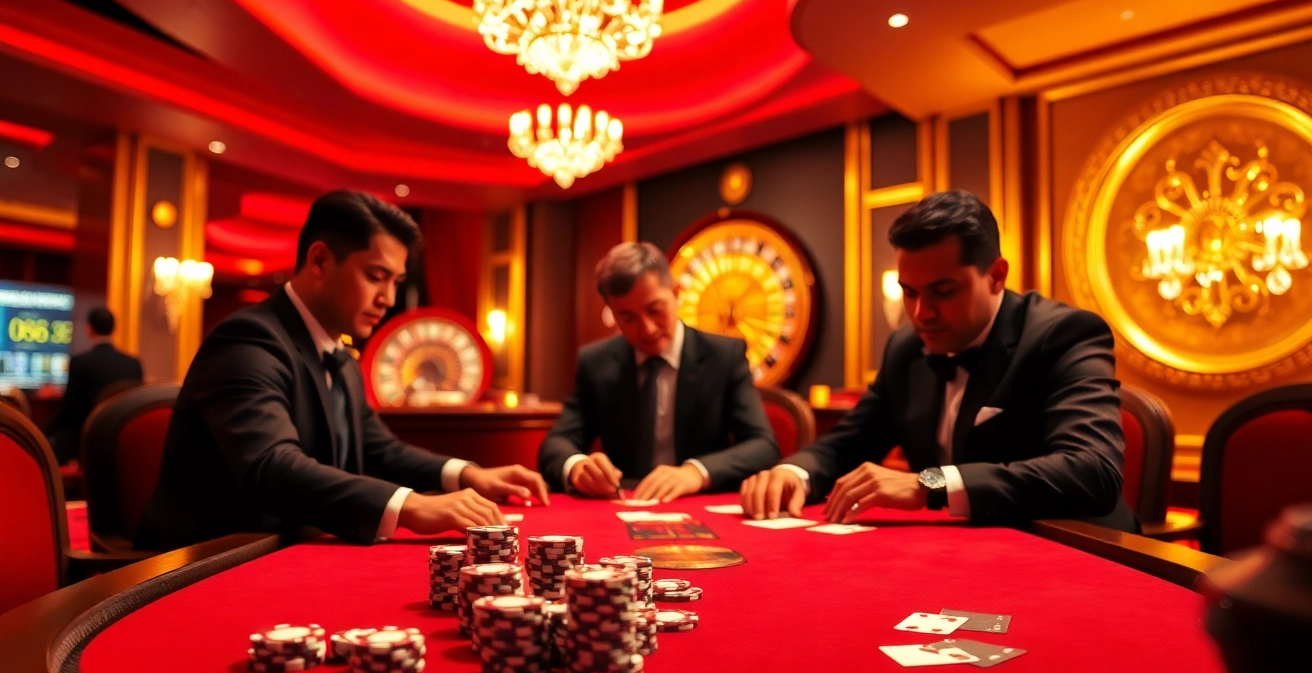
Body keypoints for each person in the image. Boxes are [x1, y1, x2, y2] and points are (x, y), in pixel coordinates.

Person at [137, 190, 547, 551]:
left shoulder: (341, 355)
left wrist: (468, 475)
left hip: (293, 548)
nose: (387, 298)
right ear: (319, 260)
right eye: (375, 276)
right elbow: (270, 465)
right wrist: (412, 505)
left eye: (396, 281)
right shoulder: (247, 339)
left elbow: (379, 450)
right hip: (210, 562)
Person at [739, 190, 1136, 532]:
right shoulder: (906, 348)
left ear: (996, 276)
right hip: (963, 550)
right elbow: (848, 444)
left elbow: (1093, 471)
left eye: (942, 292)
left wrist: (930, 485)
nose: (920, 313)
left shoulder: (1064, 334)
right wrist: (793, 473)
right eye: (908, 292)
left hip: (1075, 547)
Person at [538, 242, 779, 502]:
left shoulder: (723, 356)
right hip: (624, 504)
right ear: (612, 315)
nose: (648, 329)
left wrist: (696, 472)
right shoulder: (596, 361)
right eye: (628, 318)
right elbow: (555, 445)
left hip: (699, 501)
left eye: (655, 310)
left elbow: (763, 446)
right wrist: (577, 467)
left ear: (675, 293)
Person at [48, 306, 143, 463]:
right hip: (123, 442)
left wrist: (44, 429)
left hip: (85, 443)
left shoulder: (80, 362)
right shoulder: (133, 364)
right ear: (114, 330)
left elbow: (68, 410)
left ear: (89, 329)